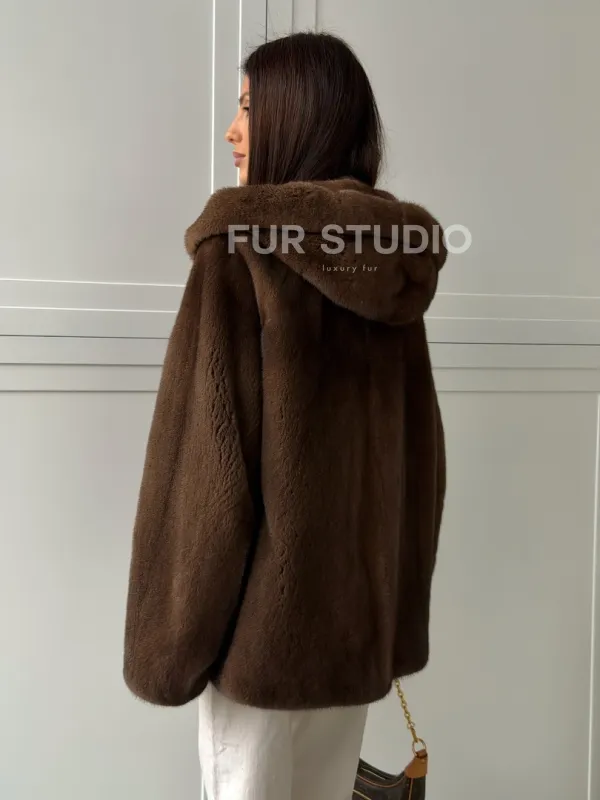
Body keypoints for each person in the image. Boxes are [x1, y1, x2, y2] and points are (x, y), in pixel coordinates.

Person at [123, 31, 447, 800]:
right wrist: (391, 617)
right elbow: (420, 465)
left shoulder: (240, 253)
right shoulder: (389, 257)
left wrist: (169, 647)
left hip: (258, 650)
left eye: (248, 108)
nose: (232, 131)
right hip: (352, 643)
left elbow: (206, 474)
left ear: (295, 117)